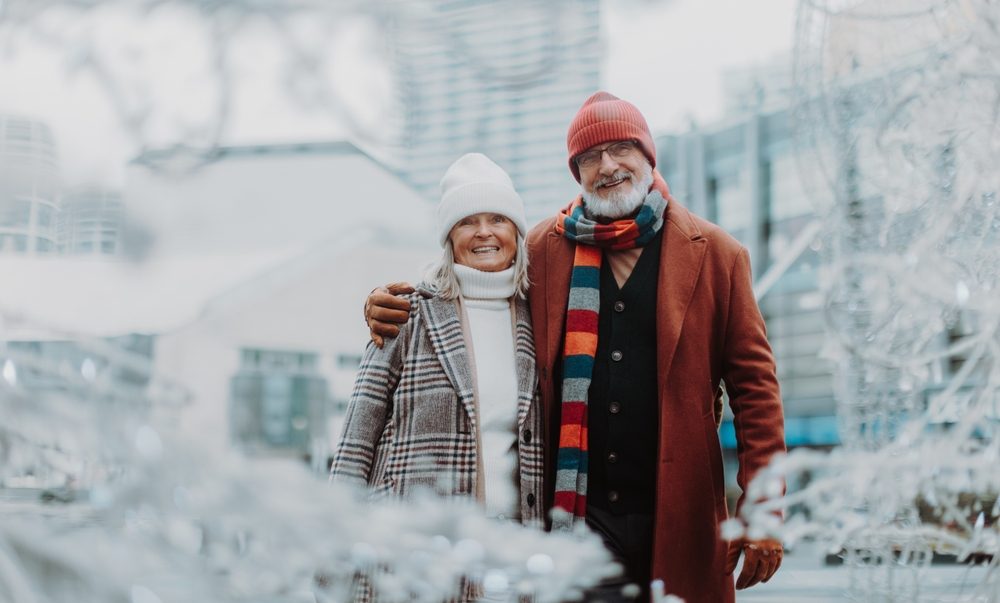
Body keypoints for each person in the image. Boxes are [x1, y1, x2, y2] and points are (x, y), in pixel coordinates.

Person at [365, 92, 786, 603]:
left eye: (620, 149)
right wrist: (387, 302)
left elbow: (756, 394)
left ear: (648, 156)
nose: (607, 166)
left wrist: (764, 510)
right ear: (577, 172)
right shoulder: (541, 249)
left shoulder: (720, 255)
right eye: (590, 157)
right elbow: (466, 284)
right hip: (574, 522)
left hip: (680, 513)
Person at [331, 153, 544, 601]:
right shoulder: (408, 316)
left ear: (517, 233)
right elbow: (355, 443)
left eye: (498, 218)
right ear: (449, 237)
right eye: (468, 221)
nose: (484, 232)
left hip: (511, 561)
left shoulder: (539, 319)